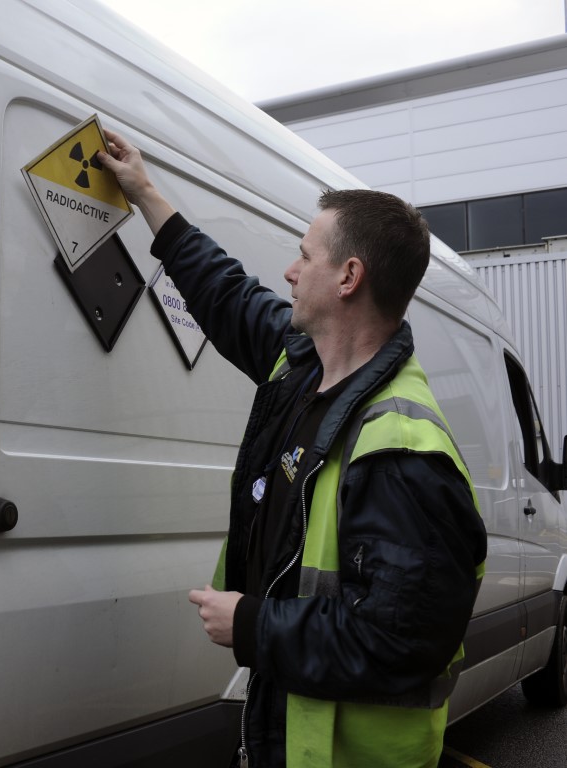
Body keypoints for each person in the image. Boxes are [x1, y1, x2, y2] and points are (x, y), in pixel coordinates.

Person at [95, 131, 487, 768]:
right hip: (287, 734)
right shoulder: (299, 366)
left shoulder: (402, 452)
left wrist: (253, 625)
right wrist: (145, 193)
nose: (289, 270)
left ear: (348, 278)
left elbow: (401, 640)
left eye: (305, 256)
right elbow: (224, 292)